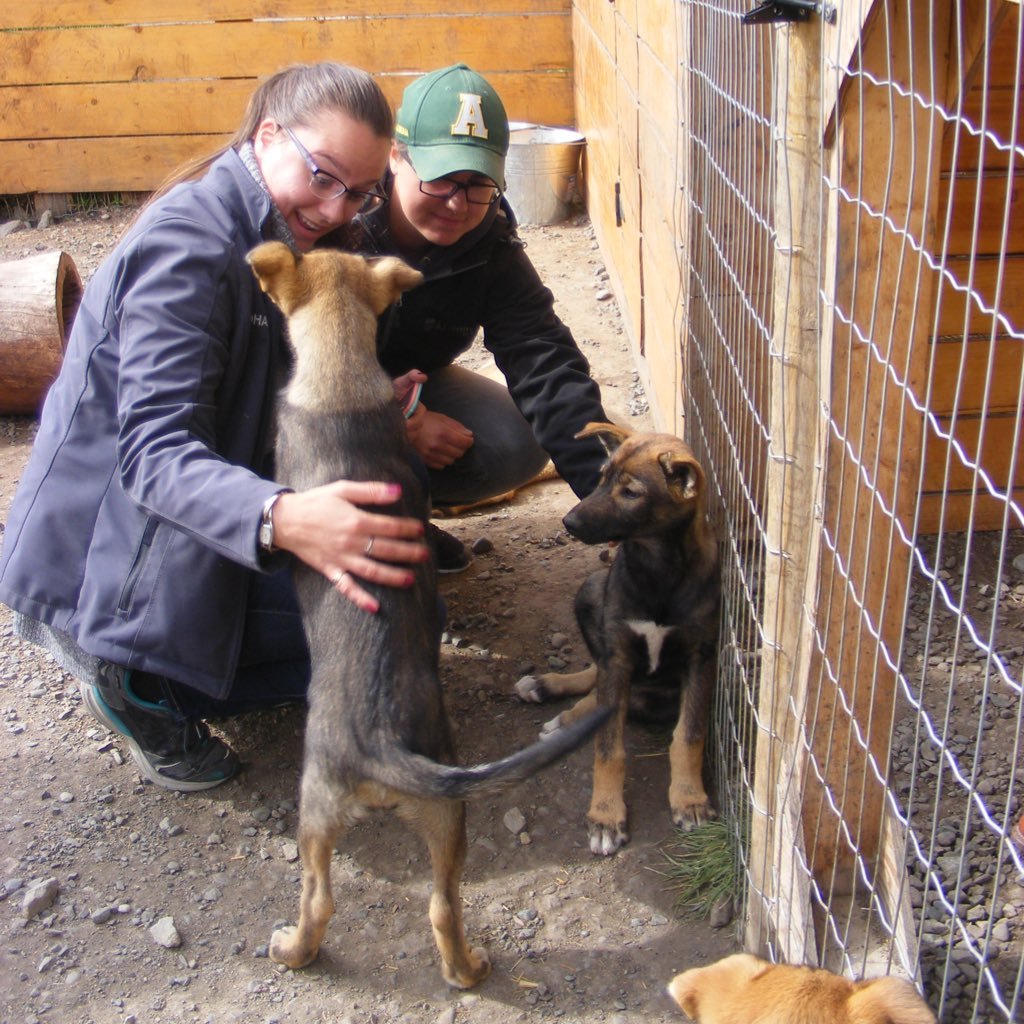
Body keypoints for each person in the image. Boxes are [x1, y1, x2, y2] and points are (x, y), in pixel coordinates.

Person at [0, 62, 431, 793]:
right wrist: (285, 517)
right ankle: (133, 676)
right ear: (269, 136)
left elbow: (240, 386)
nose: (335, 210)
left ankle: (176, 647)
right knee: (382, 633)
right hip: (113, 562)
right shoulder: (193, 246)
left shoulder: (265, 224)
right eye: (324, 176)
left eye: (359, 192)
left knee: (403, 595)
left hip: (167, 529)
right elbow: (154, 455)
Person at [337, 64, 612, 572]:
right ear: (397, 157)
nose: (457, 204)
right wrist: (398, 420)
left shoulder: (491, 243)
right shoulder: (339, 224)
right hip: (320, 395)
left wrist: (609, 491)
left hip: (411, 382)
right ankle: (354, 529)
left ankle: (408, 515)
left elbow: (543, 360)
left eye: (478, 183)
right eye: (441, 180)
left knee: (513, 441)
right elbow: (286, 368)